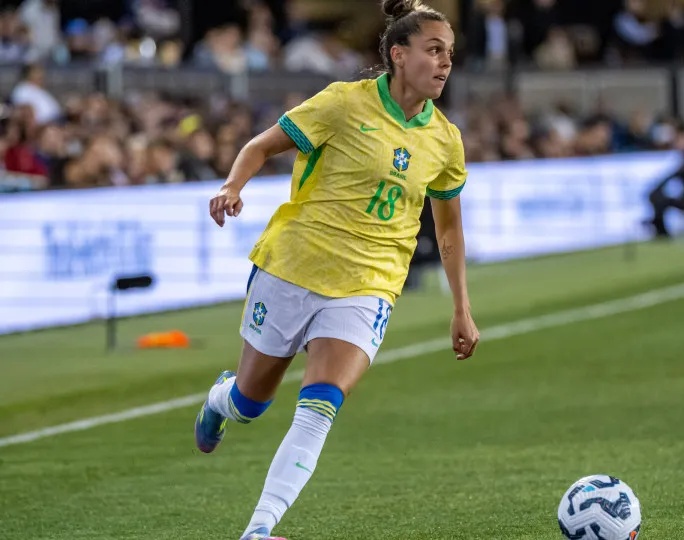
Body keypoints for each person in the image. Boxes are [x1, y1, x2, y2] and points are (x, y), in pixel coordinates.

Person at [193, 1, 481, 539]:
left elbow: (447, 231)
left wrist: (461, 308)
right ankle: (220, 400)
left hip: (368, 286)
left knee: (320, 405)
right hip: (293, 264)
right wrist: (233, 186)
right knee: (250, 402)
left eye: (450, 53)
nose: (445, 63)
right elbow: (262, 146)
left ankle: (258, 530)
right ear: (399, 54)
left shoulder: (446, 141)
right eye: (434, 50)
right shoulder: (343, 103)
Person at [646, 125, 684, 239]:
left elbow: (677, 174)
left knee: (659, 199)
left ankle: (660, 230)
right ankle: (659, 227)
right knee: (659, 198)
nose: (678, 143)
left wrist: (659, 187)